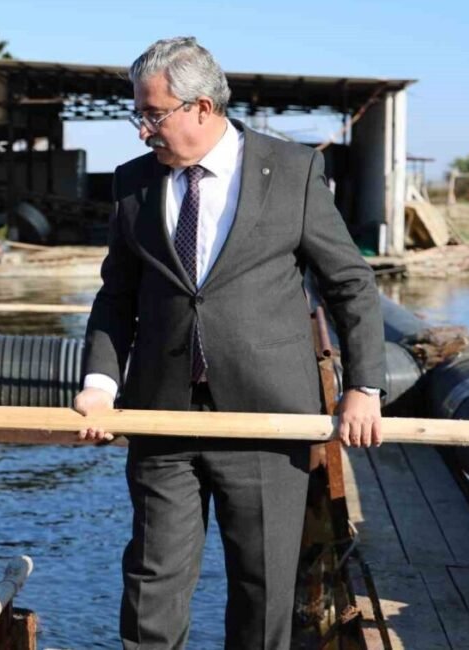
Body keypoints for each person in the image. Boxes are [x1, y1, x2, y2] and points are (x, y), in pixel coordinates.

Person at [73, 37, 385, 649]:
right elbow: (117, 297)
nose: (142, 131)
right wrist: (99, 385)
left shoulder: (292, 171)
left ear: (201, 108)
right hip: (162, 415)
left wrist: (363, 387)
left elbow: (349, 282)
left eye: (152, 114)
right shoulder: (133, 184)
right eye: (138, 114)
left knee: (262, 591)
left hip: (268, 421)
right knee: (151, 587)